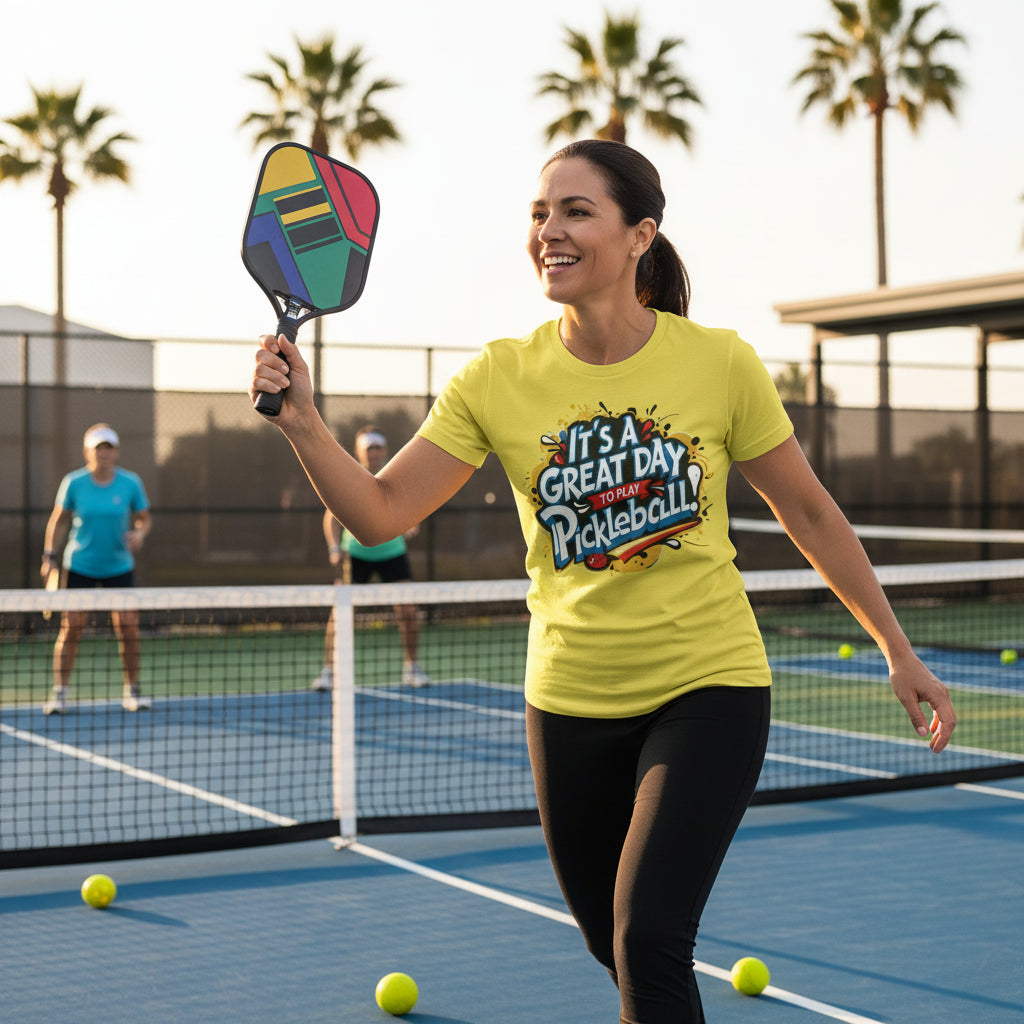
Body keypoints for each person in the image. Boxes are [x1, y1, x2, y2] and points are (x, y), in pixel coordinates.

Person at [250, 140, 956, 1024]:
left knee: (649, 939)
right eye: (540, 214)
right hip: (569, 701)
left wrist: (897, 646)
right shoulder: (496, 377)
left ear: (639, 236)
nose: (549, 230)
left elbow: (811, 515)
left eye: (576, 211)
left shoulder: (722, 363)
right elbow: (384, 513)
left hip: (710, 686)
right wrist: (305, 425)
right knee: (614, 949)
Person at [41, 423, 152, 715]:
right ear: (87, 452)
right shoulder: (74, 483)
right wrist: (49, 555)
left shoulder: (130, 483)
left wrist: (139, 534)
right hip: (80, 566)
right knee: (71, 629)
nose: (104, 454)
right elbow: (58, 520)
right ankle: (59, 694)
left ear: (115, 452)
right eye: (98, 448)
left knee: (128, 628)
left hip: (119, 567)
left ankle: (132, 691)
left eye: (109, 448)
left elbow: (143, 518)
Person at [311, 424, 430, 691]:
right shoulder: (350, 476)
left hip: (392, 553)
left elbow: (413, 510)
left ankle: (412, 668)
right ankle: (329, 671)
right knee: (340, 614)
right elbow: (330, 517)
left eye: (377, 448)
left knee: (409, 611)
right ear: (359, 451)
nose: (373, 453)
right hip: (355, 555)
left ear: (384, 450)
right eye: (369, 448)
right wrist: (333, 548)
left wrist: (410, 522)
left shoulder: (396, 476)